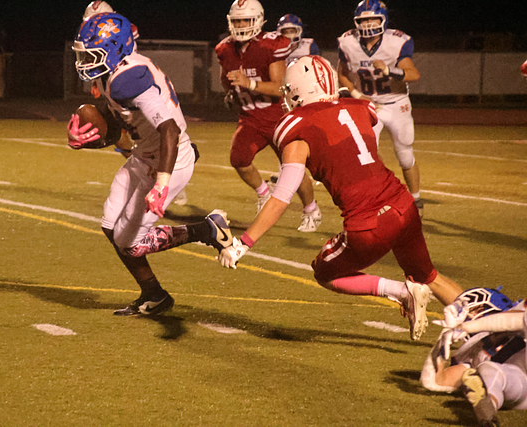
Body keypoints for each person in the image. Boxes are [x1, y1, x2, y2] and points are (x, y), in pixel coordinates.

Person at [218, 55, 463, 341]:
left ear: (298, 90)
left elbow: (282, 196)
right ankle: (484, 325)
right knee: (429, 276)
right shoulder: (358, 108)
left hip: (368, 225)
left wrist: (243, 243)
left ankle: (401, 292)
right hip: (403, 207)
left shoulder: (297, 127)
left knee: (324, 272)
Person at [70, 13, 233, 316]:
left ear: (115, 49)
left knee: (129, 243)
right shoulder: (113, 73)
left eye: (93, 53)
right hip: (144, 154)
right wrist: (94, 138)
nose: (86, 61)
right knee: (110, 226)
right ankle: (154, 294)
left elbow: (169, 130)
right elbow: (124, 124)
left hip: (168, 159)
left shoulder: (128, 78)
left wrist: (161, 184)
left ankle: (206, 230)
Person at [215, 0, 322, 233]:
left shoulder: (270, 45)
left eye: (246, 20)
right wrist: (231, 93)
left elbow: (280, 88)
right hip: (250, 117)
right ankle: (264, 193)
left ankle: (311, 209)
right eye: (237, 21)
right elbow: (226, 78)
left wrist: (249, 83)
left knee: (292, 167)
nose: (241, 25)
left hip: (277, 117)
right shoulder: (225, 48)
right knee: (239, 159)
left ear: (258, 21)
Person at [337, 1, 424, 217]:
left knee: (405, 156)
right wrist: (357, 95)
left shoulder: (398, 41)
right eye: (363, 20)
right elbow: (342, 74)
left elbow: (413, 74)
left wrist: (389, 71)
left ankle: (416, 200)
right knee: (366, 156)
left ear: (383, 19)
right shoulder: (348, 42)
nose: (368, 24)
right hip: (368, 106)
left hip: (396, 104)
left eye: (372, 19)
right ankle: (377, 198)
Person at [421, 288, 526, 426]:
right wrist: (442, 340)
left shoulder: (513, 319)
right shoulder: (475, 350)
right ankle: (487, 410)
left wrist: (468, 326)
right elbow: (436, 381)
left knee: (491, 371)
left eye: (475, 310)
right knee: (490, 371)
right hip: (520, 383)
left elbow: (513, 320)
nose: (469, 315)